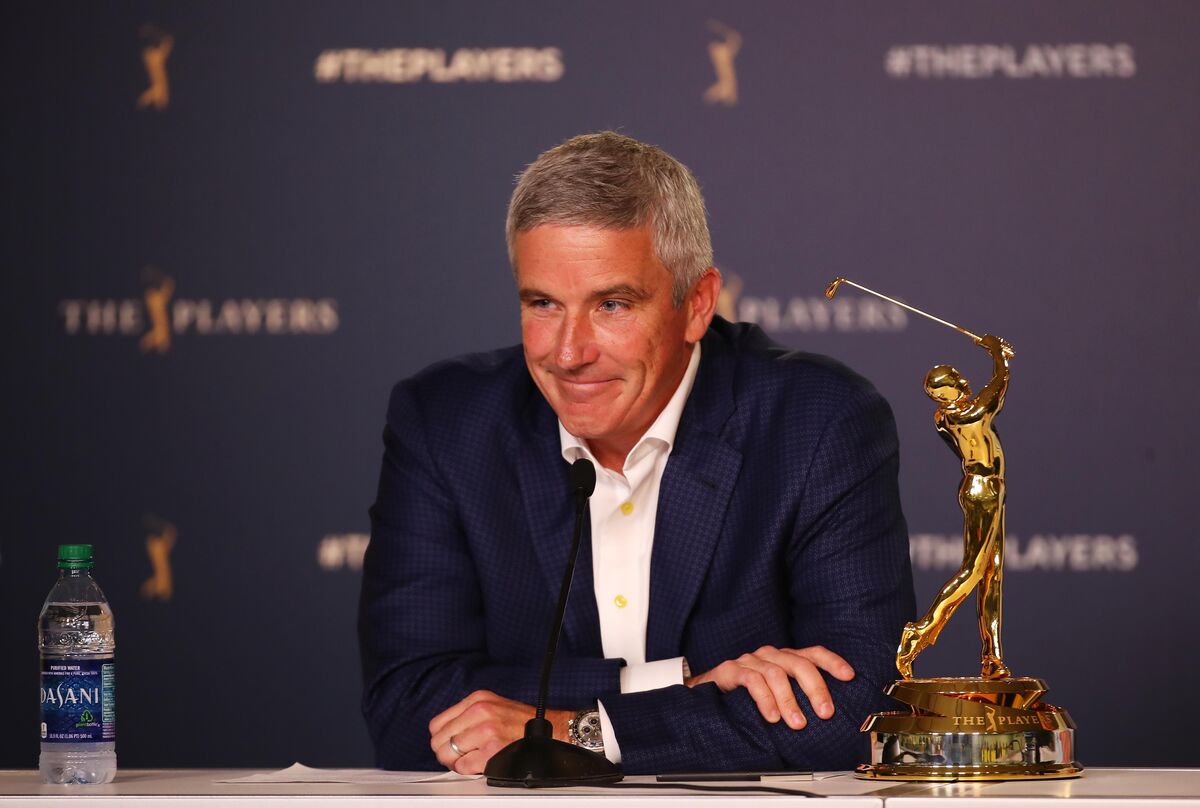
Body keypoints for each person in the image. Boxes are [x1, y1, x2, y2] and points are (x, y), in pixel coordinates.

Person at [359, 132, 915, 774]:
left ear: (697, 305)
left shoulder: (816, 420)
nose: (568, 353)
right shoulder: (446, 422)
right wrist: (682, 682)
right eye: (543, 304)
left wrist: (578, 731)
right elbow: (406, 708)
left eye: (612, 305)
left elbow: (865, 708)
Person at [897, 334, 1013, 680]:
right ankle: (918, 633)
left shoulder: (946, 417)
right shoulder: (967, 413)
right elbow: (998, 387)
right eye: (954, 381)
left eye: (959, 377)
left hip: (987, 488)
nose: (963, 381)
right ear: (941, 394)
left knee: (992, 574)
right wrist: (998, 355)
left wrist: (998, 357)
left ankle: (992, 656)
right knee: (974, 571)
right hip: (983, 490)